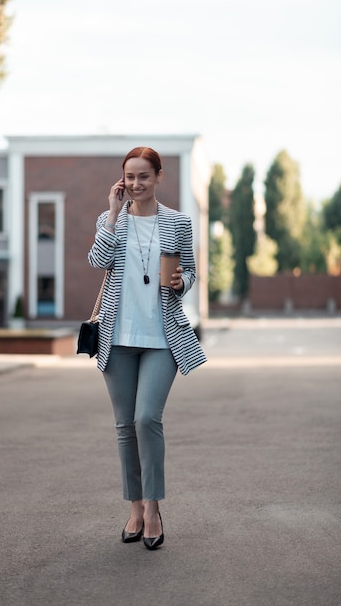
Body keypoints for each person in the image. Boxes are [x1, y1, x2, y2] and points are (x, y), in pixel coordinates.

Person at [88, 146, 206, 550]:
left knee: (145, 420)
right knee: (124, 428)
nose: (136, 184)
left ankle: (154, 509)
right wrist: (112, 213)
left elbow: (189, 270)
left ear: (158, 177)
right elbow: (95, 260)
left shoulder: (178, 222)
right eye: (130, 177)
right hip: (117, 339)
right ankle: (135, 507)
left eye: (144, 176)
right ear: (122, 181)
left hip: (161, 338)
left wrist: (181, 283)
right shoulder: (112, 221)